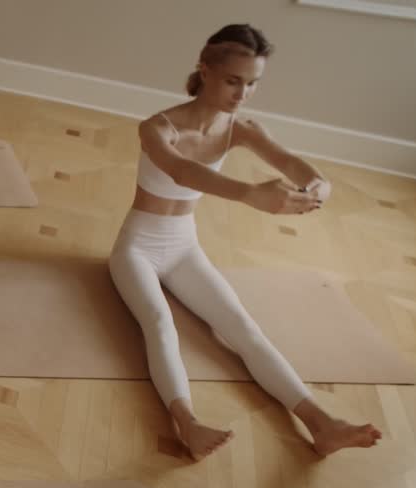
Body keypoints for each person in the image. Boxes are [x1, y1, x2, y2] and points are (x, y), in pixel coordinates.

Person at [109, 24, 381, 460]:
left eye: (253, 83)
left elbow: (289, 161)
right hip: (137, 249)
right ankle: (187, 424)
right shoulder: (158, 128)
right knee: (160, 323)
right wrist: (251, 194)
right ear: (205, 69)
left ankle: (321, 423)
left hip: (183, 247)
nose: (243, 94)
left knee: (242, 327)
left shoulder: (241, 129)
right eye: (233, 80)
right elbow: (183, 172)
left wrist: (317, 186)